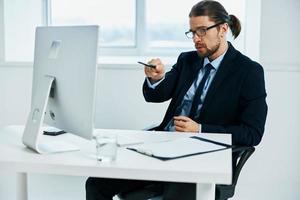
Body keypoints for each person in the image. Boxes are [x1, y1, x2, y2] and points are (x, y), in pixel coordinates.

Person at [85, 1, 268, 200]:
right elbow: (156, 95)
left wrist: (199, 129)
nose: (196, 39)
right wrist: (156, 78)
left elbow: (252, 133)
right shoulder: (187, 60)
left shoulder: (248, 71)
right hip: (163, 147)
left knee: (175, 193)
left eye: (202, 31)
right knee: (96, 183)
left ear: (223, 29)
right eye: (192, 32)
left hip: (203, 156)